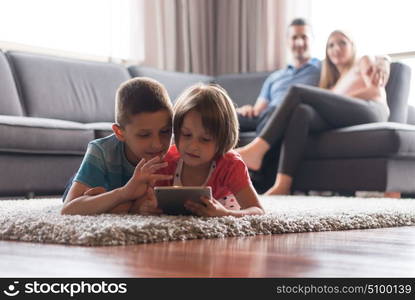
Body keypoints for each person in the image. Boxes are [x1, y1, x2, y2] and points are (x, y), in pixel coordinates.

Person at [237, 30, 391, 195]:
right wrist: (334, 97)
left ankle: (257, 150)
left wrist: (384, 61)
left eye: (342, 42)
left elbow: (375, 90)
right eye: (330, 45)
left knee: (297, 91)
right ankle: (283, 184)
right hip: (348, 115)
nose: (336, 48)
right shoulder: (334, 84)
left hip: (373, 109)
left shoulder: (363, 61)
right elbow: (336, 105)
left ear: (352, 46)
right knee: (302, 112)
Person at [61, 77, 173, 215]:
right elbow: (68, 209)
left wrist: (120, 206)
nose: (157, 144)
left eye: (165, 131)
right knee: (81, 191)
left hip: (104, 195)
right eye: (144, 135)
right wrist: (124, 193)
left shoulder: (174, 153)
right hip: (94, 182)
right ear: (120, 133)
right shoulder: (101, 151)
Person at [159, 84, 264, 217]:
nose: (193, 146)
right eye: (186, 135)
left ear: (222, 140)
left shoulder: (230, 165)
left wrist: (226, 213)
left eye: (205, 139)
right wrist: (147, 206)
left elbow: (257, 210)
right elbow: (145, 201)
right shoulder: (167, 160)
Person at [237, 18, 321, 135]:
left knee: (276, 110)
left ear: (312, 40)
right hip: (268, 116)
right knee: (224, 117)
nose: (299, 42)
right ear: (287, 41)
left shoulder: (322, 69)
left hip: (293, 115)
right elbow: (258, 111)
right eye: (294, 37)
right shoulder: (274, 77)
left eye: (304, 37)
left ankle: (258, 150)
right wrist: (247, 110)